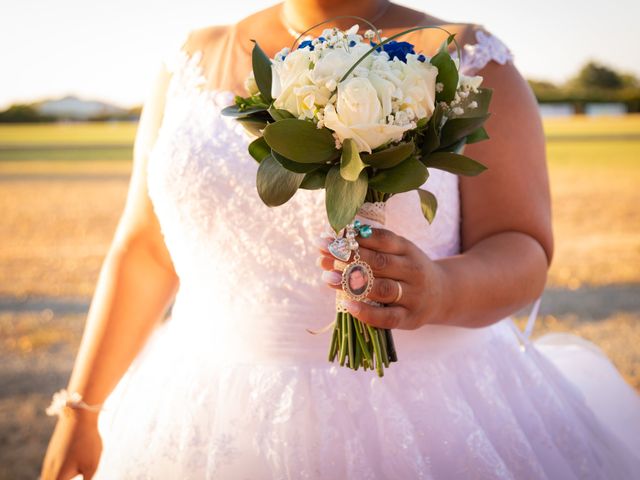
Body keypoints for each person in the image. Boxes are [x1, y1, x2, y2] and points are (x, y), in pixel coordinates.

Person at [40, 0, 640, 479]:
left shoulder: (473, 58)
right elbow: (145, 249)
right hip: (203, 409)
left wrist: (440, 288)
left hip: (434, 416)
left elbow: (524, 246)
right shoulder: (189, 59)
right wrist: (82, 408)